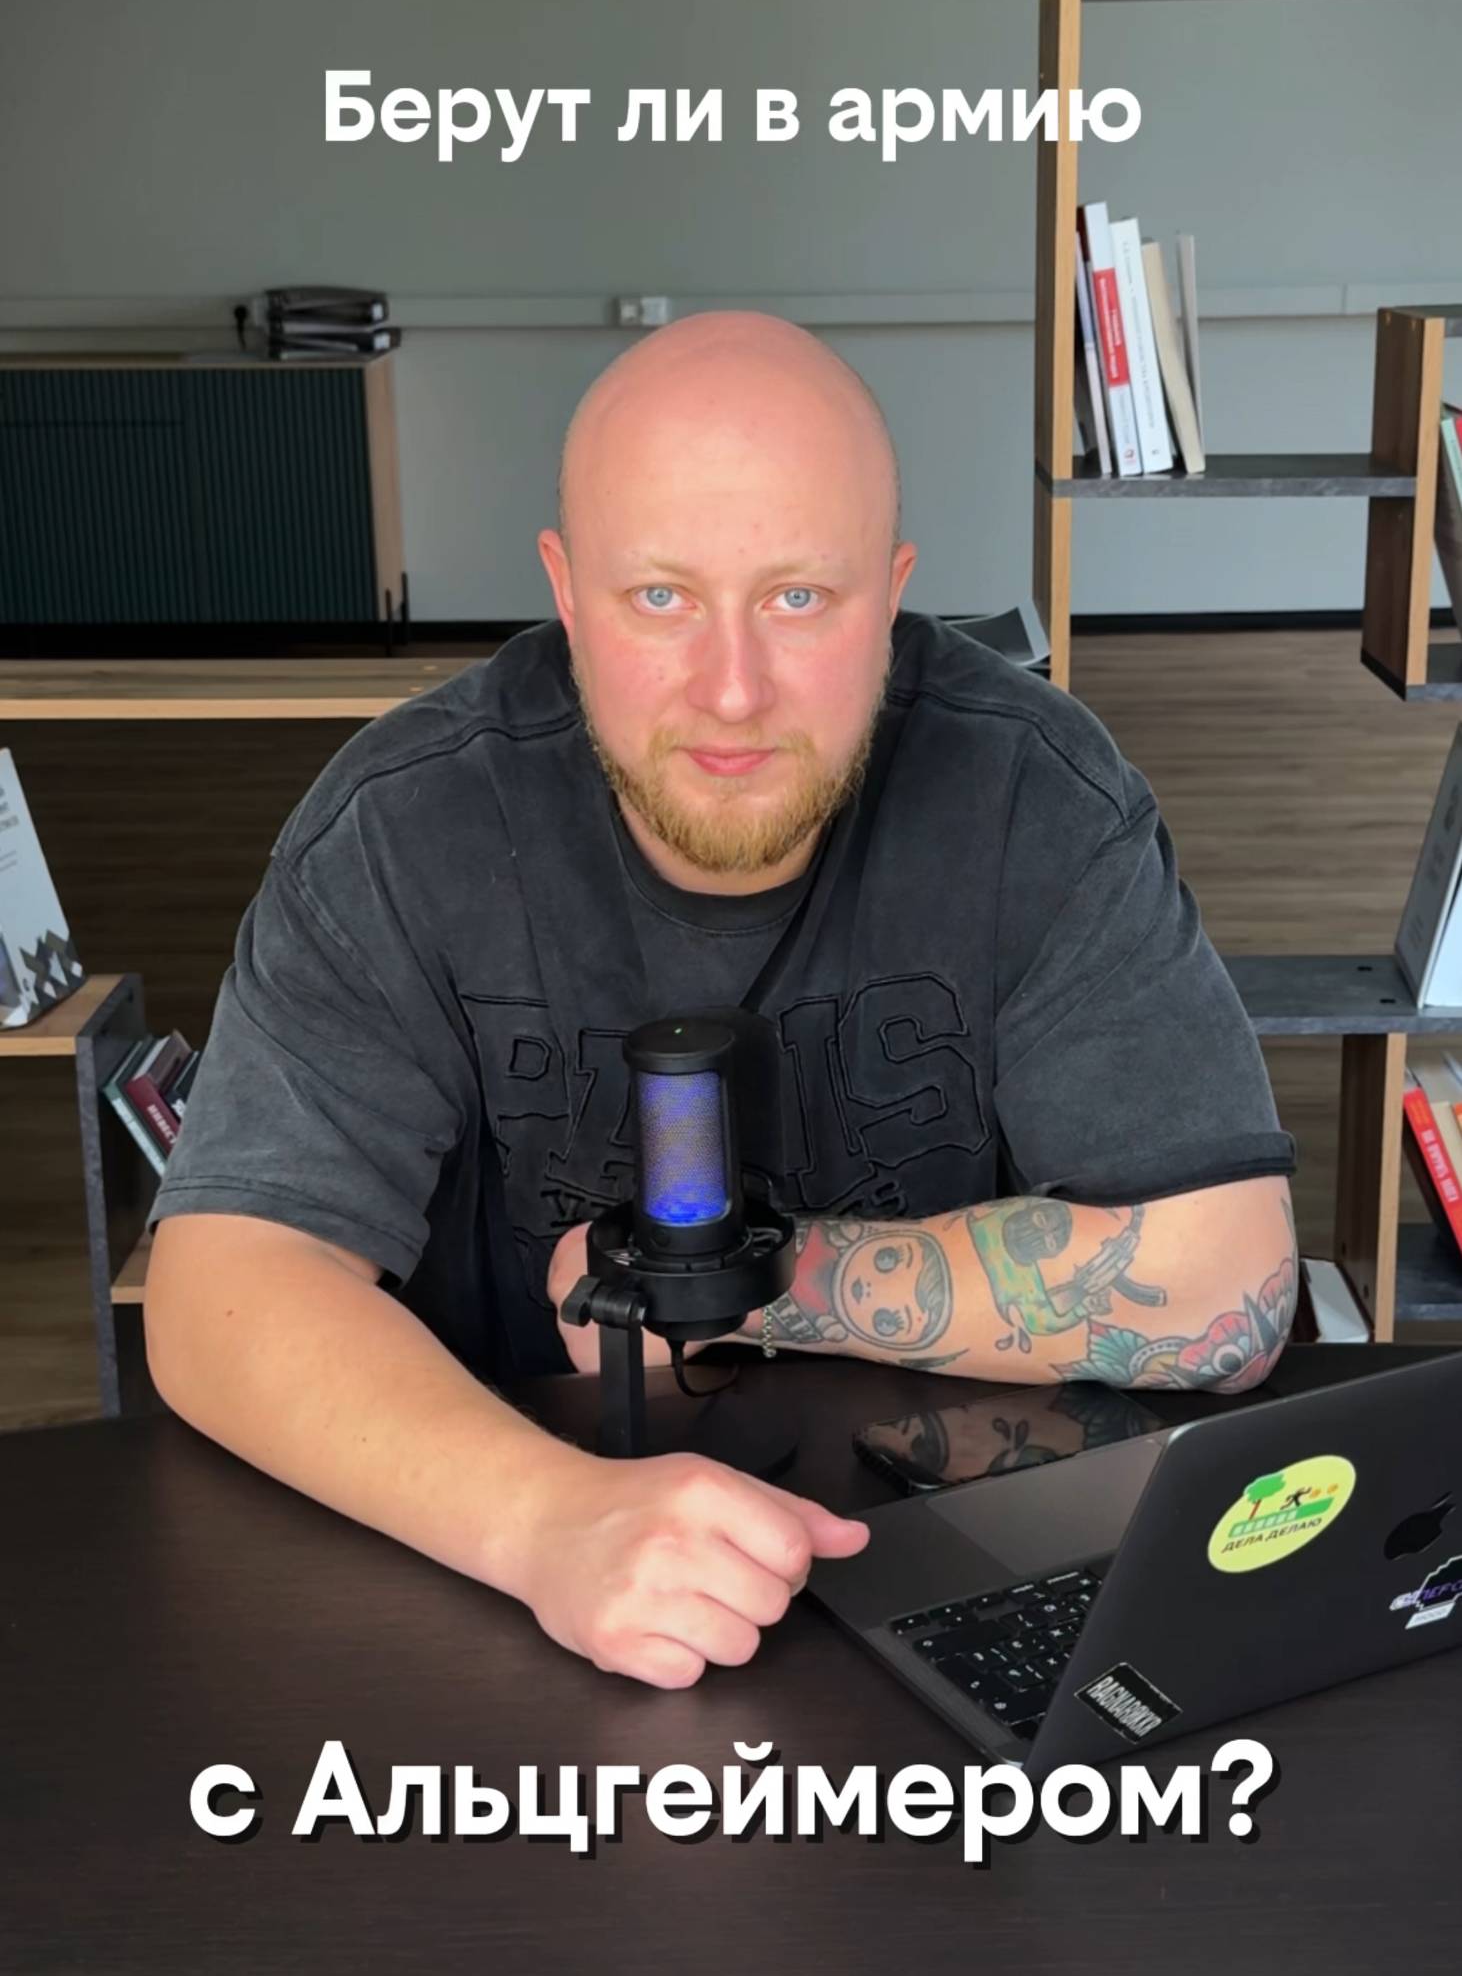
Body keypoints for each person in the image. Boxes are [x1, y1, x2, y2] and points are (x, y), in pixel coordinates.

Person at [144, 311, 1298, 1689]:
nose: (733, 690)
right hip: (509, 1585)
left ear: (893, 593)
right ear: (566, 591)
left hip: (946, 1577)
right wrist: (546, 1520)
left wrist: (746, 1283)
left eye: (799, 598)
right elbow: (220, 1290)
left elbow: (1232, 1284)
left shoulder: (1034, 795)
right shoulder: (403, 827)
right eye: (660, 598)